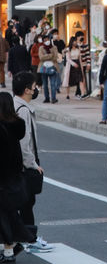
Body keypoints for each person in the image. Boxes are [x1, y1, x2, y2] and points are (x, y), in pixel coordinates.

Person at [12, 71, 52, 254]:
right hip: (23, 165)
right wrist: (33, 165)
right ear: (27, 90)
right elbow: (24, 142)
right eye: (35, 86)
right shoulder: (23, 110)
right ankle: (29, 239)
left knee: (23, 203)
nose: (36, 89)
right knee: (27, 202)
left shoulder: (13, 105)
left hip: (14, 165)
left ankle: (21, 238)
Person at [0, 91, 34, 263]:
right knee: (10, 214)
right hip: (14, 178)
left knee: (4, 216)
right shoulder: (16, 126)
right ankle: (13, 246)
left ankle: (9, 250)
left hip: (3, 179)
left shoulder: (1, 129)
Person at [38, 38, 59, 104]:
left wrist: (46, 56)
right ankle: (46, 98)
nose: (47, 41)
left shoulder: (54, 47)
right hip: (44, 68)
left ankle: (53, 98)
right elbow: (41, 57)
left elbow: (55, 57)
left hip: (53, 67)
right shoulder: (41, 48)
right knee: (45, 84)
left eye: (47, 40)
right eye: (45, 40)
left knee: (53, 84)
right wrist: (50, 55)